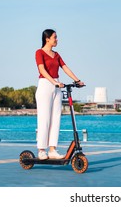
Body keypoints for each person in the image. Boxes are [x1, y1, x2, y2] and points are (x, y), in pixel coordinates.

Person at [35, 29, 84, 160]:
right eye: (55, 37)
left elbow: (65, 67)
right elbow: (42, 70)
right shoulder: (39, 52)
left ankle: (52, 150)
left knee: (56, 118)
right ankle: (41, 150)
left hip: (57, 85)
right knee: (44, 118)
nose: (57, 39)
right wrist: (53, 82)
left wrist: (77, 80)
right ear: (47, 39)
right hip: (45, 84)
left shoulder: (56, 55)